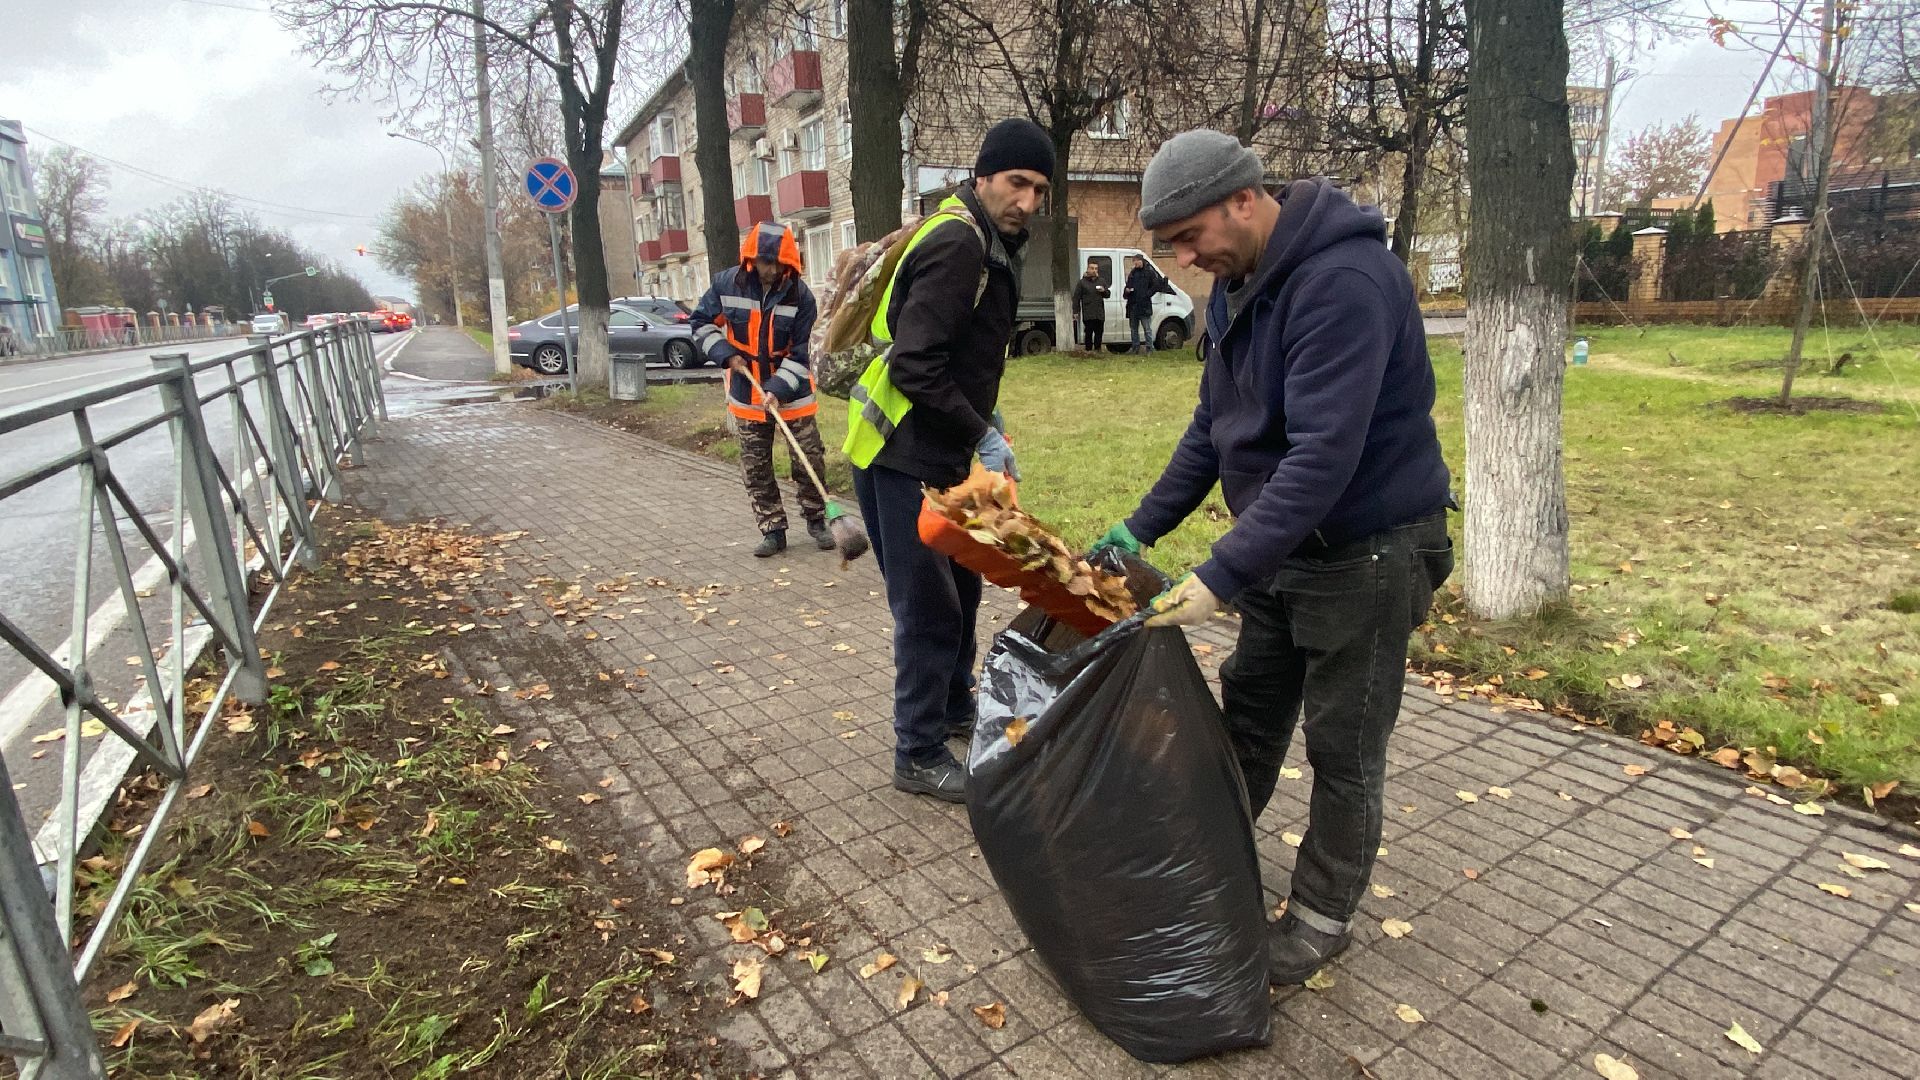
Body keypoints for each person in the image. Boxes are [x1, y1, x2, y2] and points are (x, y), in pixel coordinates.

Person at [1091, 129, 1454, 984]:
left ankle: (1323, 918)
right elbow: (1214, 430)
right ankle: (1206, 866)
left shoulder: (1346, 283)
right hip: (1287, 549)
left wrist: (1221, 575)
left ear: (1243, 201)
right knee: (1247, 718)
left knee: (1344, 748)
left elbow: (1322, 458)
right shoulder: (1237, 283)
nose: (1184, 259)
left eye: (1189, 237)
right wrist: (1140, 529)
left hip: (1368, 553)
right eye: (1173, 244)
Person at [844, 117, 1054, 802]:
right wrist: (982, 434)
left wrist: (983, 423)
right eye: (1018, 182)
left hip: (939, 451)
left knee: (961, 590)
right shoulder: (960, 243)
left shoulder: (984, 239)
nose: (1028, 201)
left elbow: (958, 356)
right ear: (984, 174)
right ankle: (918, 750)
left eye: (1041, 190)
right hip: (901, 454)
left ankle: (955, 706)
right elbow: (914, 365)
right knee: (928, 607)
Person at [692, 222, 828, 558]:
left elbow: (803, 352)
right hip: (746, 393)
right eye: (765, 262)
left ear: (788, 264)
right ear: (752, 259)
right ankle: (772, 528)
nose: (771, 270)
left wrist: (778, 388)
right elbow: (701, 323)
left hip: (793, 397)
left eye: (777, 264)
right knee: (756, 467)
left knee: (809, 460)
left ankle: (818, 520)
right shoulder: (727, 284)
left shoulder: (801, 296)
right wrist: (725, 354)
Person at [1121, 253, 1172, 354]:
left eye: (1136, 262)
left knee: (1147, 329)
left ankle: (1149, 348)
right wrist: (1127, 291)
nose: (1135, 264)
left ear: (1140, 261)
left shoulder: (1149, 272)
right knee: (1133, 329)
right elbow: (1128, 285)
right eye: (1134, 262)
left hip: (1144, 305)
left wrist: (1147, 294)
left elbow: (1156, 285)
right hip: (1133, 305)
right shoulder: (1133, 273)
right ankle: (1135, 347)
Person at [1071, 260, 1109, 351]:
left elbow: (1108, 295)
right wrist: (1075, 311)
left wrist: (1103, 291)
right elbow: (1076, 297)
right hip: (1088, 312)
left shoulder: (1101, 281)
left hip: (1099, 312)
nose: (1094, 270)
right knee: (1088, 332)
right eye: (1092, 268)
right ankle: (1088, 350)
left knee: (1099, 332)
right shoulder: (1082, 282)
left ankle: (1098, 349)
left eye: (1096, 269)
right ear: (1088, 269)